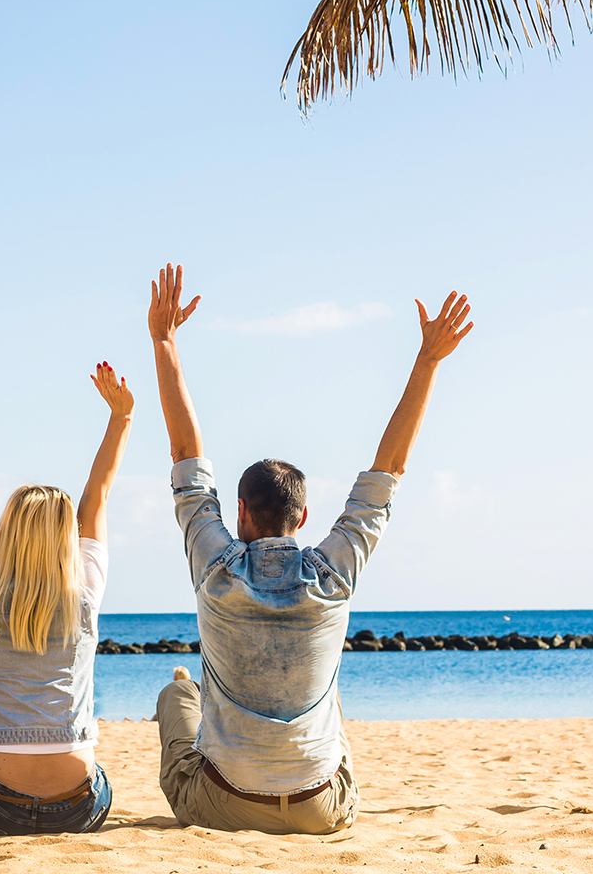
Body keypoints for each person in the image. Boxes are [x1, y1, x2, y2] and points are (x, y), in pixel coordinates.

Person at [147, 264, 474, 834]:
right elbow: (388, 470)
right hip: (321, 809)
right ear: (303, 517)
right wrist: (428, 361)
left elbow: (185, 455)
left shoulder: (216, 570)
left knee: (178, 696)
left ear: (241, 513)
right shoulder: (333, 575)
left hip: (223, 806)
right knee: (328, 695)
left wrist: (164, 341)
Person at [0, 361, 132, 835]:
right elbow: (96, 498)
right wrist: (120, 418)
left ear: (8, 531)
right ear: (67, 540)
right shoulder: (85, 591)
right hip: (77, 807)